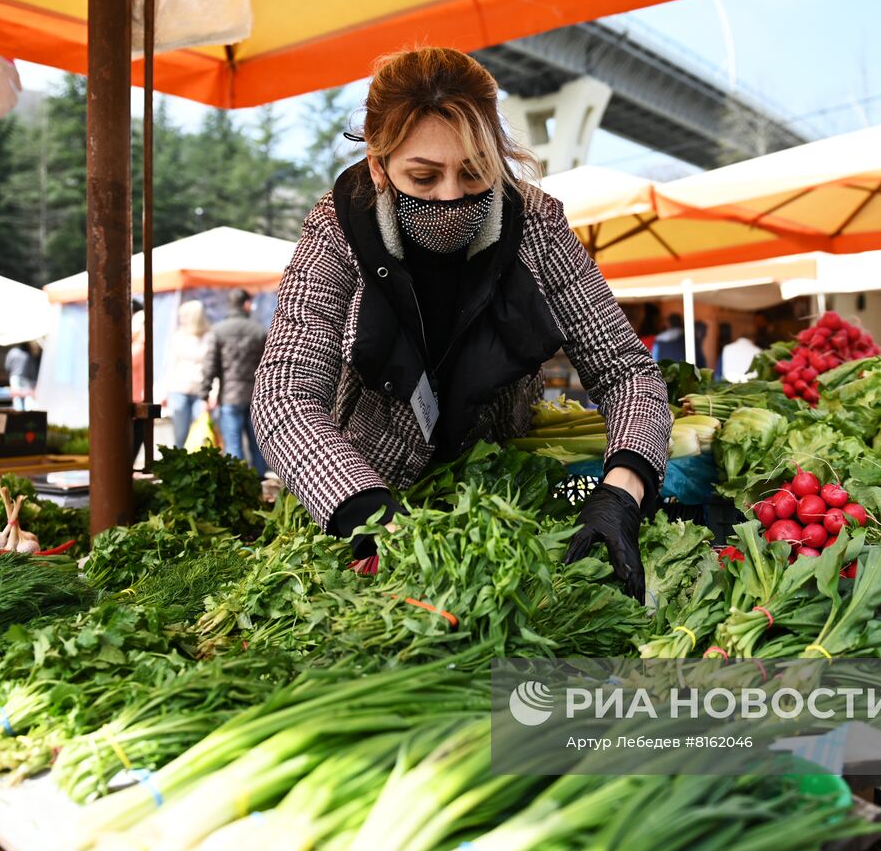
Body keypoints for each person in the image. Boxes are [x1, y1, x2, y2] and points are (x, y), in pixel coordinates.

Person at [253, 48, 670, 600]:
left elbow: (627, 372)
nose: (450, 196)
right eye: (423, 177)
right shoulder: (338, 228)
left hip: (501, 499)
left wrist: (622, 489)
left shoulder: (537, 226)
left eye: (474, 172)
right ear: (379, 166)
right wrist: (368, 515)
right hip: (364, 497)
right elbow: (284, 394)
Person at [204, 288, 268, 474]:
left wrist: (204, 393)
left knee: (233, 443)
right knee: (258, 445)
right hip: (255, 396)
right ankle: (259, 481)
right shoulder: (259, 331)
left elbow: (210, 365)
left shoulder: (218, 331)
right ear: (246, 304)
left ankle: (238, 482)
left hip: (229, 396)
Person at [163, 300, 212, 448]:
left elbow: (212, 366)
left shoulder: (209, 337)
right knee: (180, 435)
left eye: (184, 315)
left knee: (201, 432)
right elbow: (170, 365)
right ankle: (179, 467)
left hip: (202, 392)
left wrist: (213, 394)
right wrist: (164, 392)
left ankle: (200, 467)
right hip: (179, 390)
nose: (180, 319)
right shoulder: (178, 337)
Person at [5, 342, 41, 410]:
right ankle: (25, 414)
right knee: (26, 396)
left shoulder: (13, 352)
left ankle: (19, 413)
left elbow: (7, 366)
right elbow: (31, 368)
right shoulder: (27, 354)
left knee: (18, 398)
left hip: (15, 377)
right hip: (25, 377)